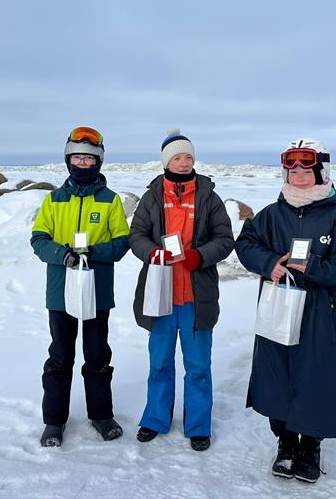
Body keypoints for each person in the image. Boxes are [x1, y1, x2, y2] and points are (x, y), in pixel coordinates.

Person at [234, 138, 336, 483]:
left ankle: (310, 445)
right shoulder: (271, 215)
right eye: (291, 169)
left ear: (321, 171)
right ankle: (285, 442)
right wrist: (269, 263)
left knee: (318, 378)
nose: (297, 175)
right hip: (280, 308)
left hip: (324, 314)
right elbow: (246, 244)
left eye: (305, 169)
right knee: (279, 374)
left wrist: (314, 267)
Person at [129, 128, 235, 452]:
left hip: (196, 298)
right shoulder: (152, 197)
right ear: (166, 161)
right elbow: (136, 236)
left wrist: (199, 256)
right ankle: (156, 418)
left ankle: (198, 425)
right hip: (160, 295)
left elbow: (225, 239)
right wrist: (152, 253)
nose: (184, 162)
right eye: (177, 156)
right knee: (159, 362)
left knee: (199, 366)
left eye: (188, 156)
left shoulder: (209, 197)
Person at [30, 126, 131, 447]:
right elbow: (38, 239)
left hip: (97, 292)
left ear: (98, 162)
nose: (83, 163)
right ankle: (54, 421)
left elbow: (121, 242)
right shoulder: (54, 199)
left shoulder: (110, 200)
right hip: (61, 293)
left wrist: (92, 253)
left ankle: (101, 415)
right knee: (60, 356)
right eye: (78, 157)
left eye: (89, 158)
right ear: (68, 160)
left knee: (98, 355)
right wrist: (63, 255)